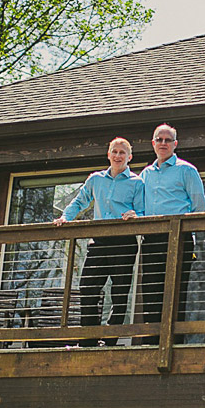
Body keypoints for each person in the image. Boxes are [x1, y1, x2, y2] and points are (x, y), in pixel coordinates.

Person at [54, 137, 145, 346]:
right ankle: (88, 339)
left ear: (129, 157)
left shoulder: (137, 182)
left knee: (120, 292)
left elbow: (142, 210)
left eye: (122, 152)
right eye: (114, 151)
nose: (118, 156)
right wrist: (66, 217)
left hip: (124, 241)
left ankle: (110, 340)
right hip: (99, 240)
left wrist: (136, 215)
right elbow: (80, 201)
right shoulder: (96, 179)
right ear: (108, 154)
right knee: (88, 287)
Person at [138, 123, 205, 343]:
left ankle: (173, 344)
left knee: (176, 290)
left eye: (168, 140)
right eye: (159, 139)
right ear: (153, 144)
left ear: (175, 144)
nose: (163, 143)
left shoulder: (186, 170)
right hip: (152, 237)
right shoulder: (145, 174)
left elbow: (199, 206)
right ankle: (152, 342)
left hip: (179, 236)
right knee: (151, 291)